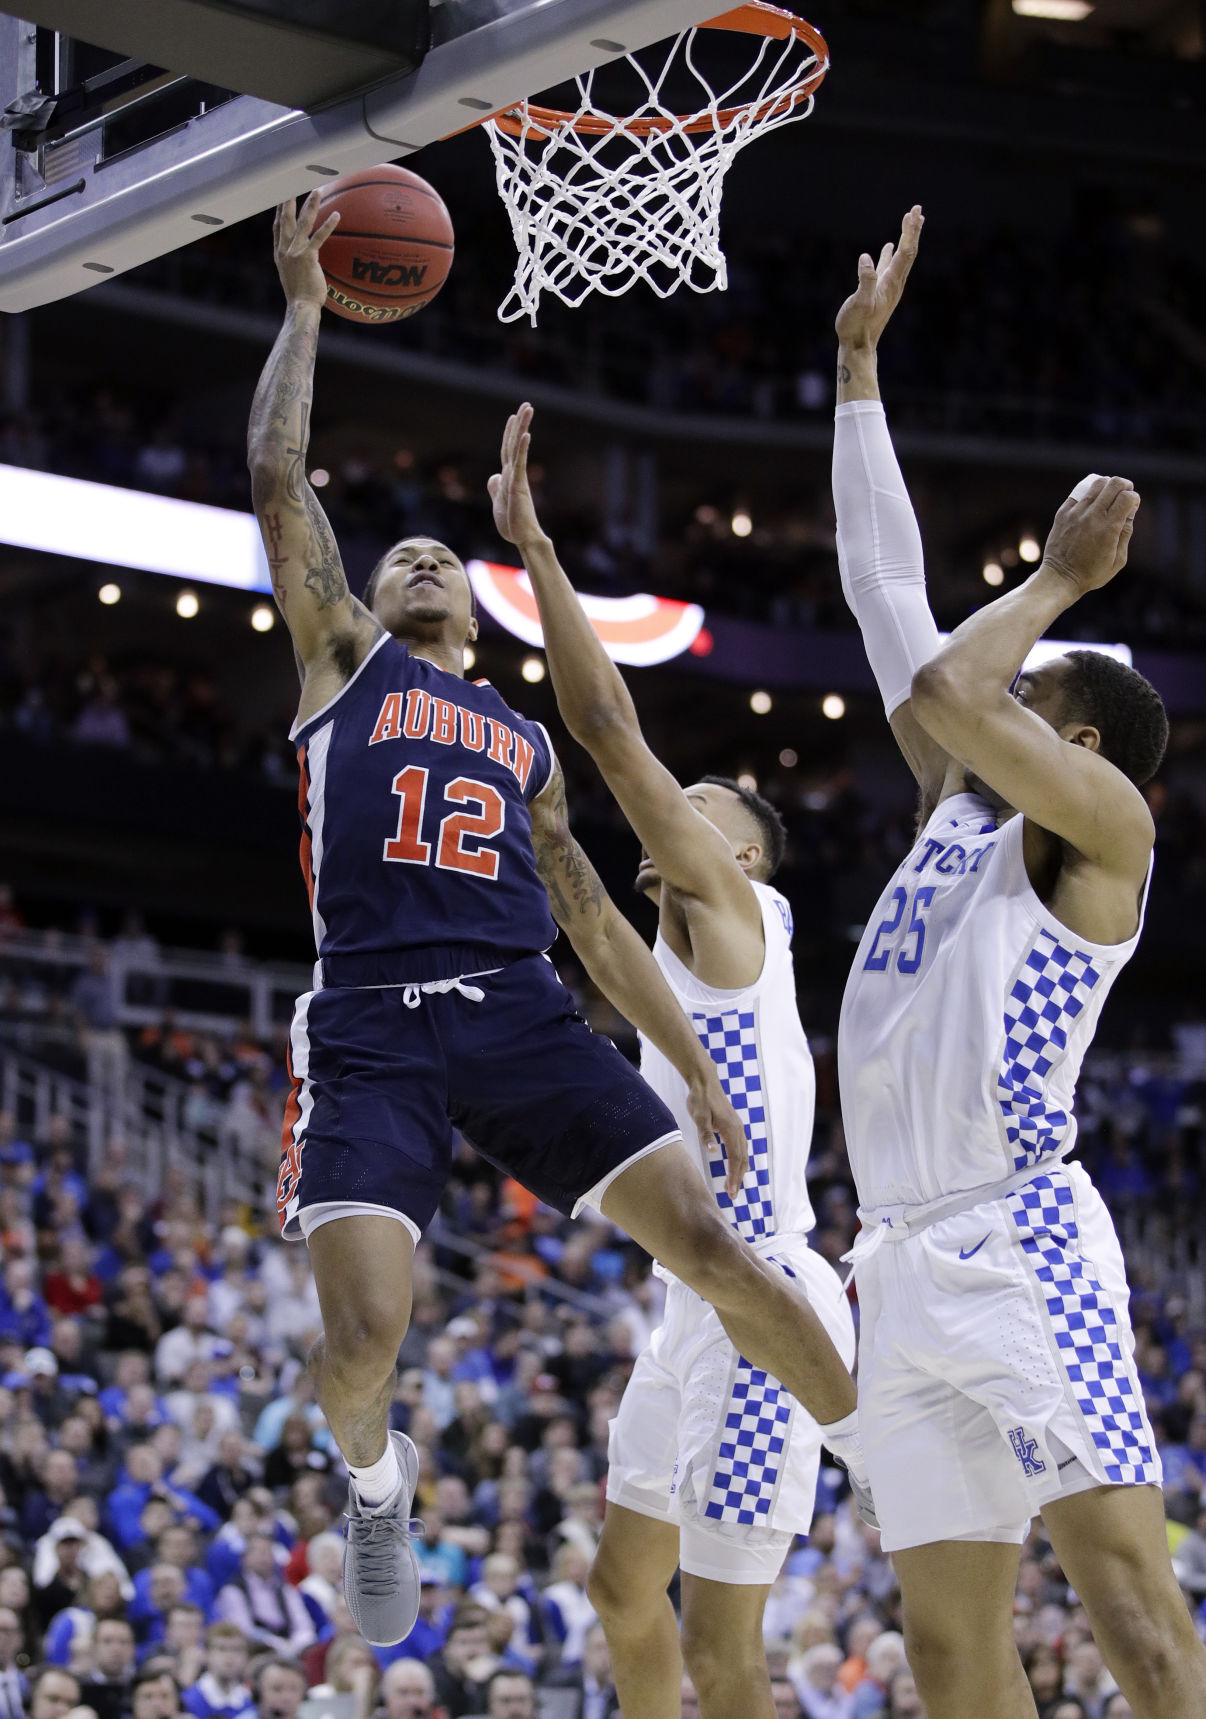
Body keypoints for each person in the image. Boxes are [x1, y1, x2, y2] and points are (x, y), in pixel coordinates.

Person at [245, 192, 867, 1651]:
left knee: (717, 1245)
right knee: (362, 1340)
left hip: (520, 1005)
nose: (415, 560)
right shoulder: (340, 662)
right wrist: (304, 309)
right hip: (371, 1021)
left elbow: (593, 920)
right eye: (394, 553)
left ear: (474, 604)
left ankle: (870, 1440)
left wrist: (694, 1066)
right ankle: (373, 1478)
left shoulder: (518, 741)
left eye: (437, 558)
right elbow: (280, 482)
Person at [831, 207, 1206, 1719]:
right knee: (942, 1643)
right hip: (896, 1253)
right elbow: (883, 599)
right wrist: (857, 373)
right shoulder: (955, 808)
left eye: (1029, 676)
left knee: (1122, 1593)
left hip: (1017, 1243)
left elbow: (940, 672)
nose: (998, 656)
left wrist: (1055, 587)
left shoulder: (1100, 826)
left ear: (1084, 736)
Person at [488, 404, 860, 1719]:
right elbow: (583, 915)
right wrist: (537, 832)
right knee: (614, 1591)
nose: (674, 805)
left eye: (700, 803)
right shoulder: (671, 959)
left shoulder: (737, 914)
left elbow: (603, 726)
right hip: (685, 1310)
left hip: (760, 1303)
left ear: (741, 854)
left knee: (722, 1653)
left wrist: (535, 550)